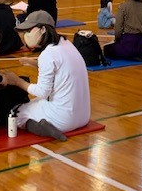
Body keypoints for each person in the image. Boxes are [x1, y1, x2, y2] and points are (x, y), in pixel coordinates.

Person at [9, 10, 90, 140]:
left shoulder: (48, 54)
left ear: (42, 30)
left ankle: (44, 128)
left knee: (16, 113)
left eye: (29, 31)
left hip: (63, 120)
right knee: (34, 103)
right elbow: (62, 69)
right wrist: (36, 64)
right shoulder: (66, 43)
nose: (26, 35)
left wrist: (17, 81)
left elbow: (42, 92)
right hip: (83, 117)